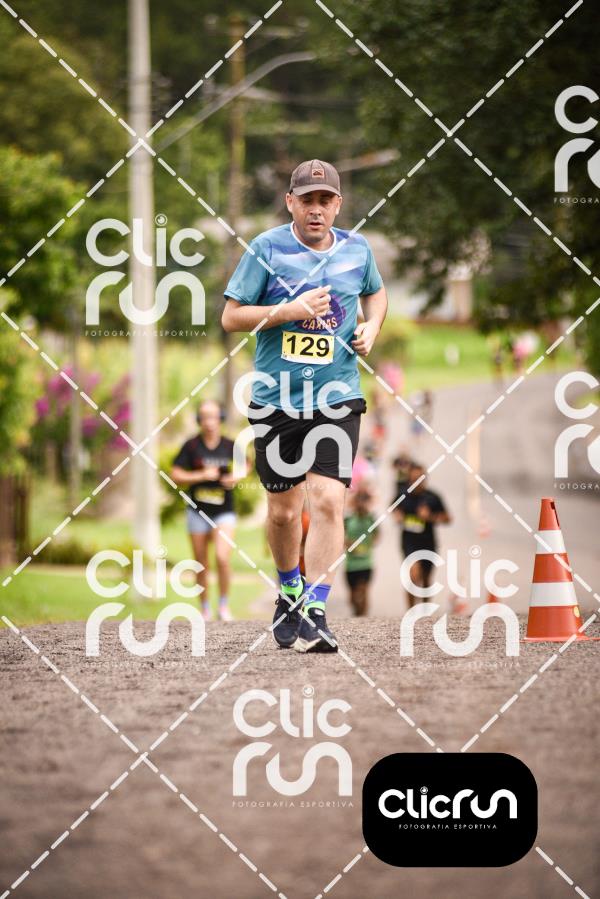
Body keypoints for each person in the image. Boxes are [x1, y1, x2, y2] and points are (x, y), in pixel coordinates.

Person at [222, 159, 387, 652]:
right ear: (290, 202)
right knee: (282, 512)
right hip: (276, 401)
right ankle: (289, 589)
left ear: (338, 204)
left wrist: (372, 327)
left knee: (329, 500)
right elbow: (231, 317)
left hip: (337, 396)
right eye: (308, 200)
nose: (317, 209)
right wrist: (289, 311)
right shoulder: (266, 248)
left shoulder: (357, 249)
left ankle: (315, 610)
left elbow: (376, 294)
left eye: (325, 200)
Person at [171, 400, 240, 622]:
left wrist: (235, 477)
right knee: (200, 562)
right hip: (197, 512)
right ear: (199, 420)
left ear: (221, 419)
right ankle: (205, 609)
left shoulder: (230, 445)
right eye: (204, 417)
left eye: (213, 416)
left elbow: (246, 466)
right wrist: (201, 475)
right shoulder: (191, 446)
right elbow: (176, 474)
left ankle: (224, 605)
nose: (209, 422)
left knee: (222, 557)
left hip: (224, 511)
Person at [393, 462, 451, 608]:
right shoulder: (402, 495)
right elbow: (394, 508)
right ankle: (411, 611)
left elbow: (447, 518)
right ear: (409, 480)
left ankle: (425, 611)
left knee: (425, 580)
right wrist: (398, 515)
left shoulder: (433, 497)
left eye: (420, 479)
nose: (417, 483)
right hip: (409, 543)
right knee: (413, 576)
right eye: (413, 479)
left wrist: (430, 516)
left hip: (428, 542)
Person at [344, 489, 377, 616]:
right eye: (359, 501)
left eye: (364, 501)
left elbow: (378, 535)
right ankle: (357, 614)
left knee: (363, 590)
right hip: (351, 564)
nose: (361, 504)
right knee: (353, 596)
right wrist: (348, 543)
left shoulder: (371, 519)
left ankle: (364, 616)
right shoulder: (348, 519)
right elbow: (340, 535)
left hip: (366, 563)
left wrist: (369, 544)